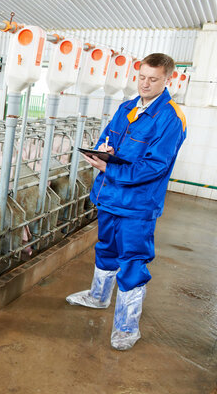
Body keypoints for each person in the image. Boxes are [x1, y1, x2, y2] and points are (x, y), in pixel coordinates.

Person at [66, 53, 187, 350]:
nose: (145, 84)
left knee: (133, 261)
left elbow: (155, 165)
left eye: (153, 79)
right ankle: (98, 297)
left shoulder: (171, 118)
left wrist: (110, 167)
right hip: (110, 196)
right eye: (142, 77)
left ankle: (127, 327)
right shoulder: (127, 107)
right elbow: (108, 139)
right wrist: (100, 151)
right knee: (106, 248)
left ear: (167, 80)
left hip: (137, 205)